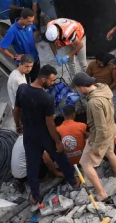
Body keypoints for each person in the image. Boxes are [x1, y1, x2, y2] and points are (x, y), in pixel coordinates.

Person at [12, 65, 76, 206]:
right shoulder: (46, 98)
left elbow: (16, 110)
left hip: (29, 134)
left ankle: (35, 196)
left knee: (32, 165)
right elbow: (50, 124)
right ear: (43, 79)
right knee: (60, 156)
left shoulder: (22, 89)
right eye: (51, 81)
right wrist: (57, 142)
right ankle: (73, 181)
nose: (52, 83)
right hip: (44, 134)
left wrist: (18, 125)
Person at [74, 72, 116, 201]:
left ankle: (101, 193)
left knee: (85, 163)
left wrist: (96, 146)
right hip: (111, 128)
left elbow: (101, 128)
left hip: (101, 135)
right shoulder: (103, 88)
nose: (78, 91)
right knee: (110, 153)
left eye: (78, 88)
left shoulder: (94, 103)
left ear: (82, 87)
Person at [0, 9, 40, 82]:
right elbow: (1, 47)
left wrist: (34, 43)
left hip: (35, 59)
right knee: (25, 84)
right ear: (22, 18)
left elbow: (34, 31)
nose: (31, 23)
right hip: (24, 64)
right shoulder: (12, 31)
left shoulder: (29, 25)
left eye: (32, 21)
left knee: (36, 80)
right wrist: (14, 57)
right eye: (29, 21)